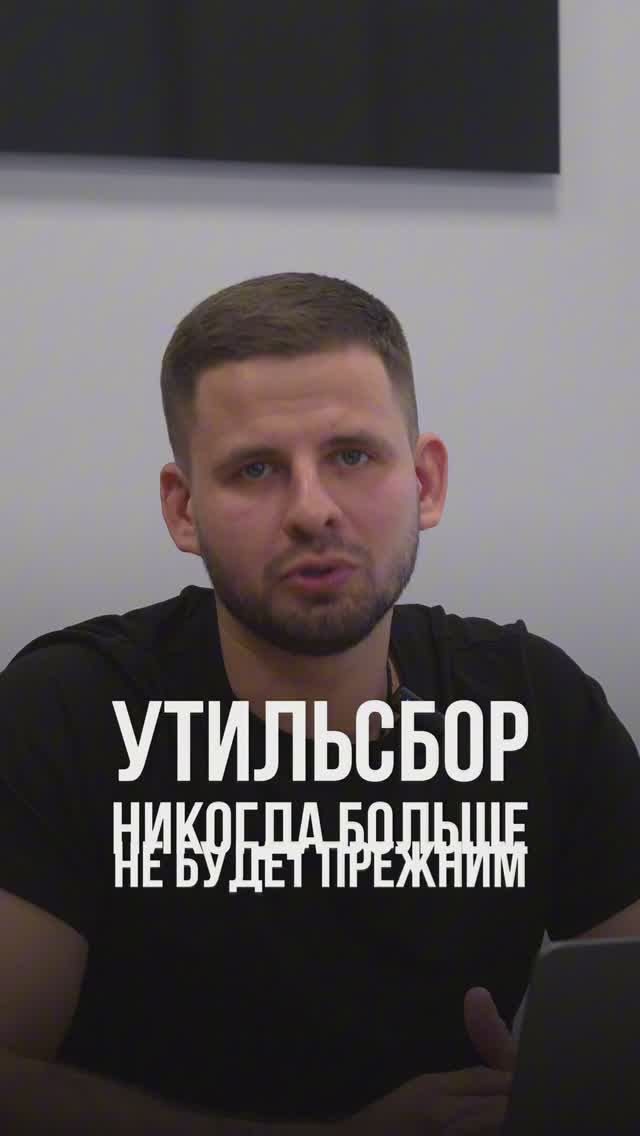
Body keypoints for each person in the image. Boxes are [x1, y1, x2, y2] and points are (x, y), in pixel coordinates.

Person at [1, 272, 639, 1136]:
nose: (312, 511)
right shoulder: (68, 712)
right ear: (184, 510)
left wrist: (575, 1095)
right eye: (256, 469)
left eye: (351, 456)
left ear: (426, 483)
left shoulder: (535, 704)